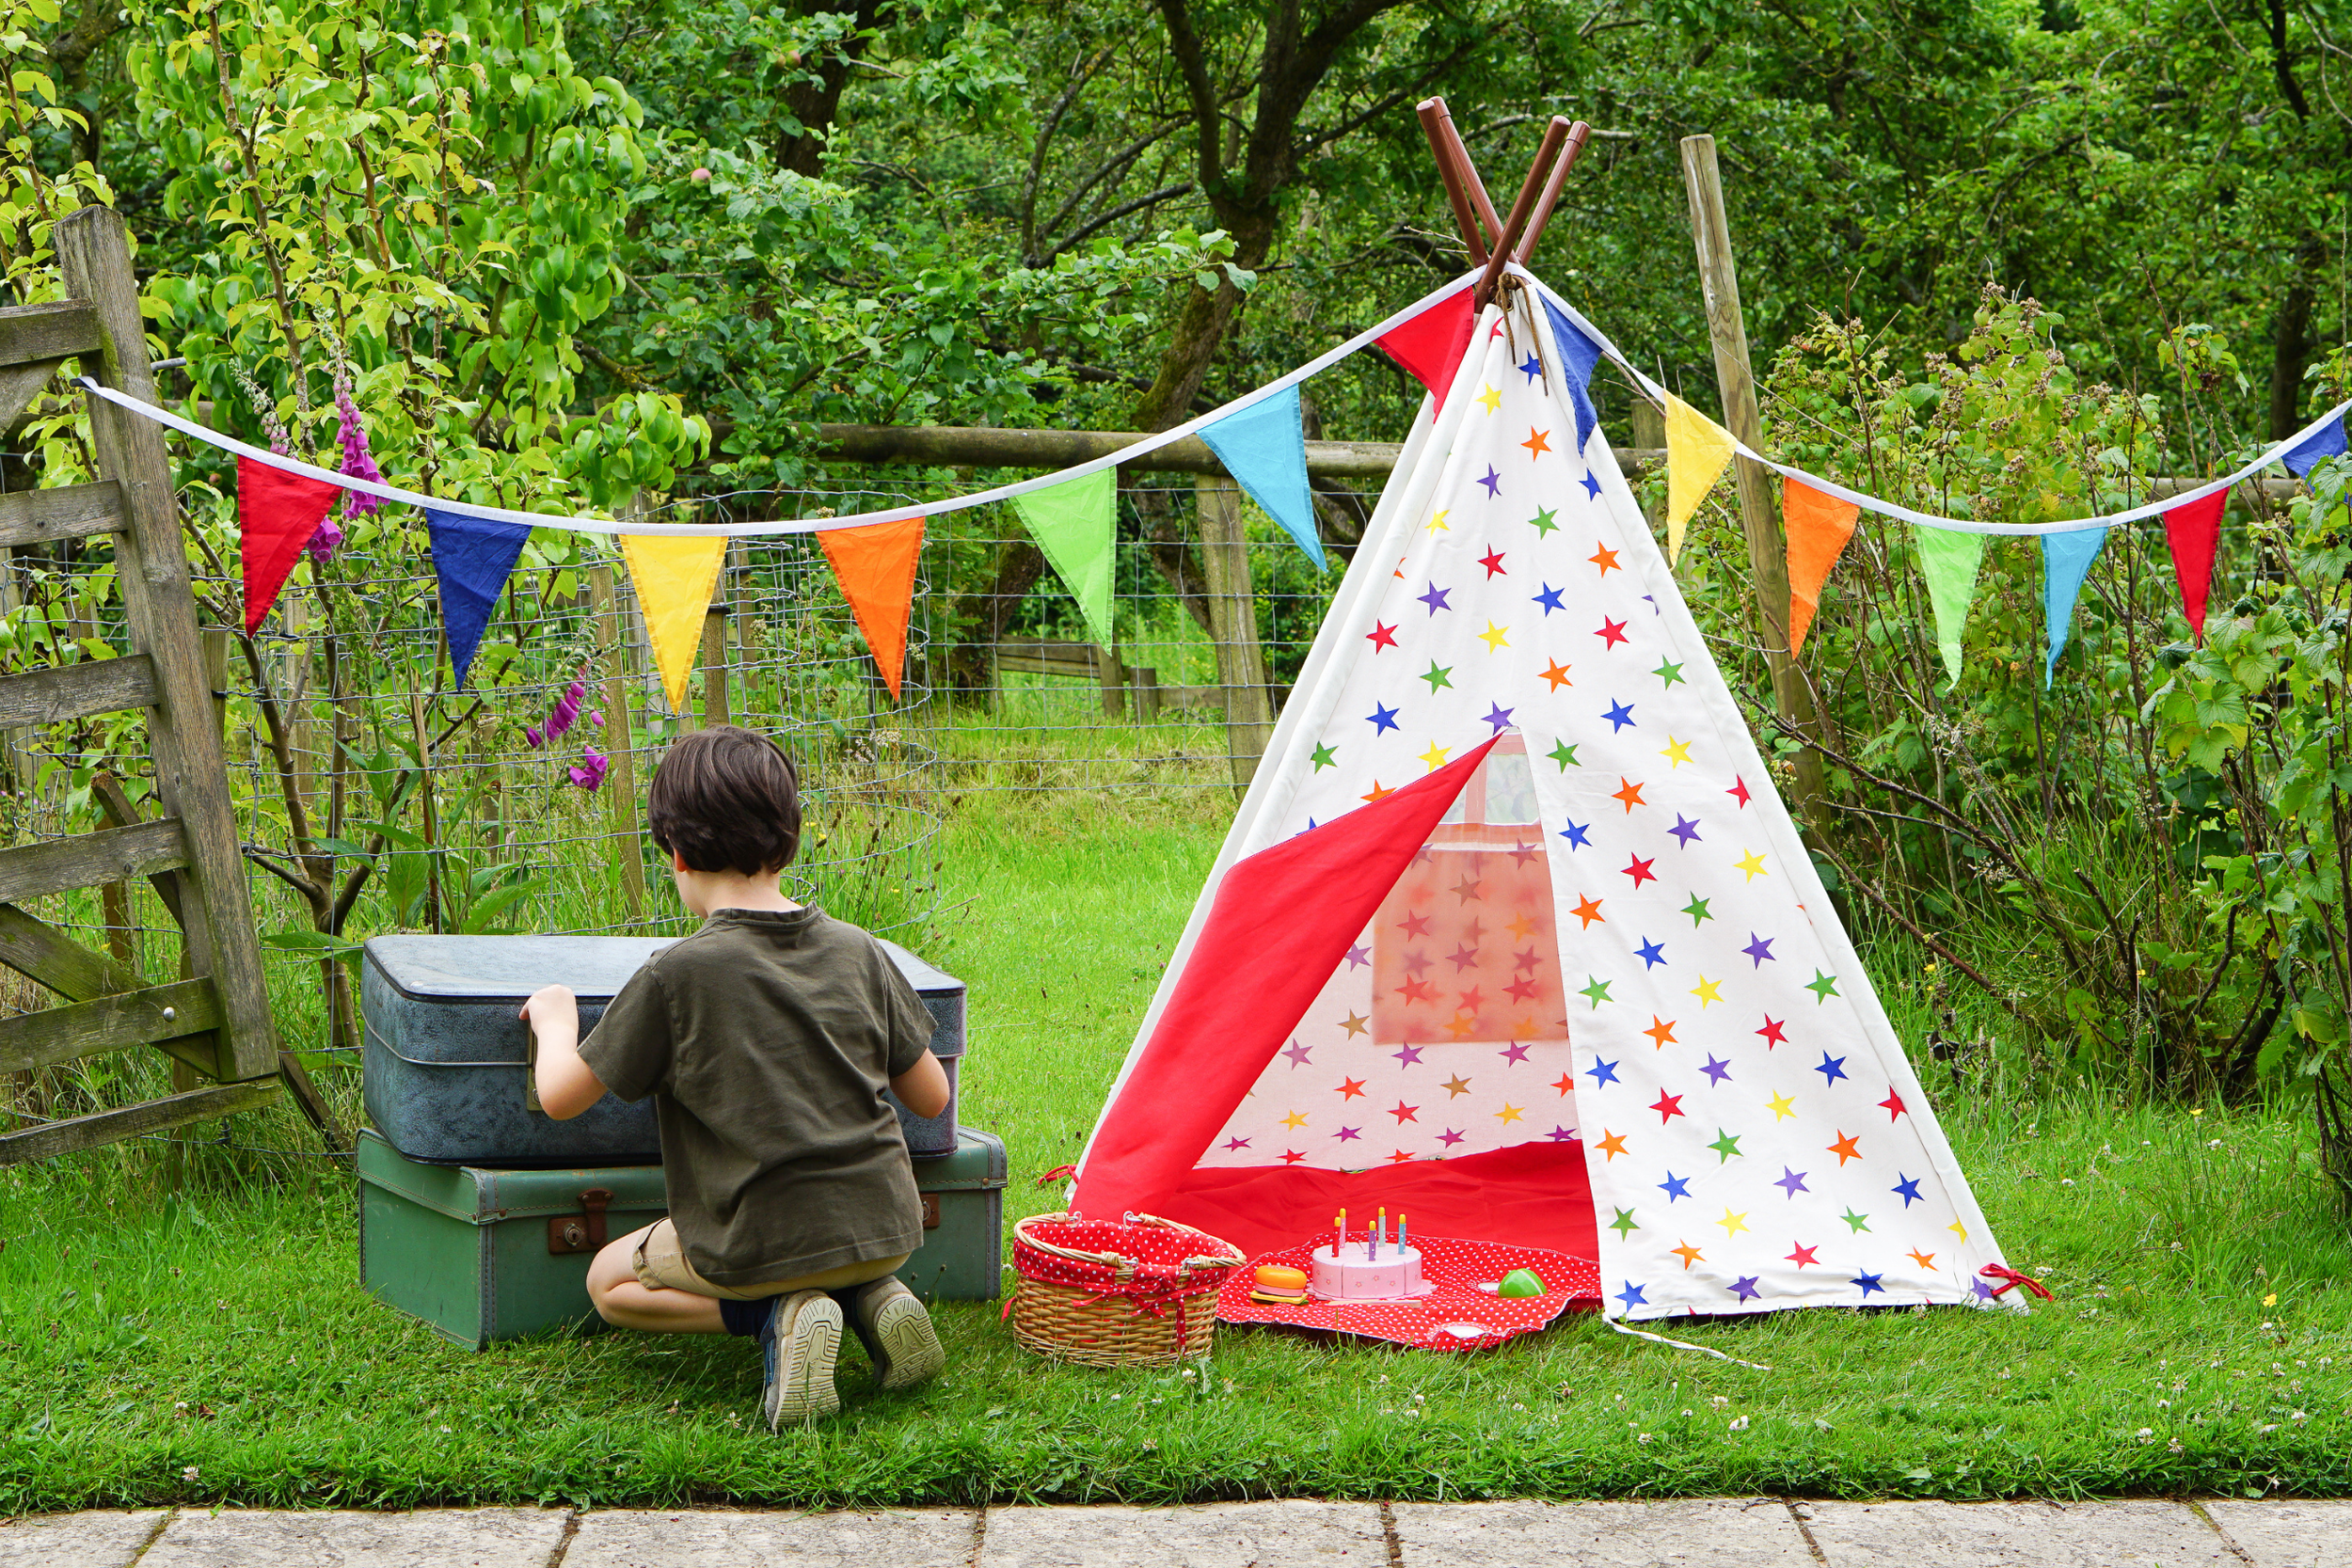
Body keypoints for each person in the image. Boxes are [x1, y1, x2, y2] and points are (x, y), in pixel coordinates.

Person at [519, 724, 952, 1427]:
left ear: (679, 854)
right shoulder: (859, 950)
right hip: (885, 1227)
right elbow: (932, 1097)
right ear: (788, 840)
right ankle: (876, 1301)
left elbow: (560, 1096)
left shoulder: (676, 975)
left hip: (757, 1242)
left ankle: (774, 1314)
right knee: (840, 1259)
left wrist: (556, 1018)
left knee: (608, 1281)